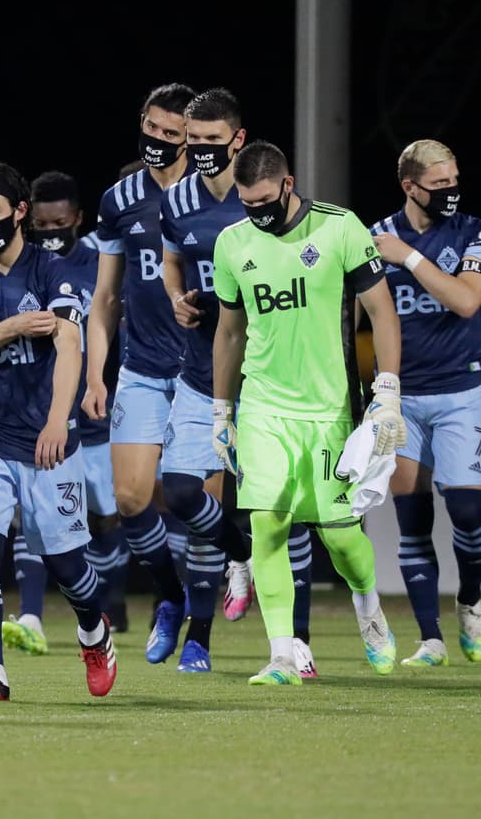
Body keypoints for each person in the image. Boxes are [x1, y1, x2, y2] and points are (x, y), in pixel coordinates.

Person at [212, 141, 402, 685]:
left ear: (288, 185)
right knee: (266, 525)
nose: (258, 213)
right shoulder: (232, 244)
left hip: (329, 410)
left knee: (340, 538)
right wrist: (222, 410)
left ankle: (368, 608)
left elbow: (382, 313)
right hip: (265, 406)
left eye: (266, 201)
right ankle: (281, 655)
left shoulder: (340, 227)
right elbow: (229, 331)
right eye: (248, 204)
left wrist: (387, 390)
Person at [0, 162, 116, 702]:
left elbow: (69, 344)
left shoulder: (52, 272)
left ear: (20, 212)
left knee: (68, 566)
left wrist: (58, 420)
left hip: (48, 441)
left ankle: (94, 632)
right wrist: (13, 326)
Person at [159, 89, 317, 676]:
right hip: (202, 372)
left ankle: (297, 642)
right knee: (177, 491)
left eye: (210, 140)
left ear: (238, 139)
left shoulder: (269, 201)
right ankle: (243, 554)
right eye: (190, 140)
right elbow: (173, 260)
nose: (199, 150)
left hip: (271, 380)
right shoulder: (176, 201)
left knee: (286, 509)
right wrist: (177, 299)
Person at [370, 138, 481, 666]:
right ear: (410, 186)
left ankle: (469, 599)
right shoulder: (374, 237)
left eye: (453, 181)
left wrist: (410, 257)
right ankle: (431, 638)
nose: (450, 192)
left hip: (459, 392)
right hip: (404, 395)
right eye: (438, 184)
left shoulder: (475, 232)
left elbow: (466, 300)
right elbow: (362, 317)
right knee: (412, 517)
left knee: (467, 510)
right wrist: (374, 391)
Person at [83, 83, 197, 665]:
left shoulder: (212, 197)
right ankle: (170, 598)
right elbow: (105, 298)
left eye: (171, 134)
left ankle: (199, 630)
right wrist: (96, 374)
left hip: (205, 375)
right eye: (152, 128)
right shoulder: (118, 199)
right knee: (130, 497)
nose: (157, 141)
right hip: (143, 368)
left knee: (201, 504)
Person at [0, 170, 120, 656]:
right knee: (32, 517)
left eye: (60, 222)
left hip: (102, 414)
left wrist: (107, 381)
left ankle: (106, 605)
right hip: (44, 416)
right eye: (42, 224)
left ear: (78, 220)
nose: (51, 232)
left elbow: (114, 324)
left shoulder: (101, 265)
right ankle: (30, 615)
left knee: (108, 517)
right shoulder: (22, 267)